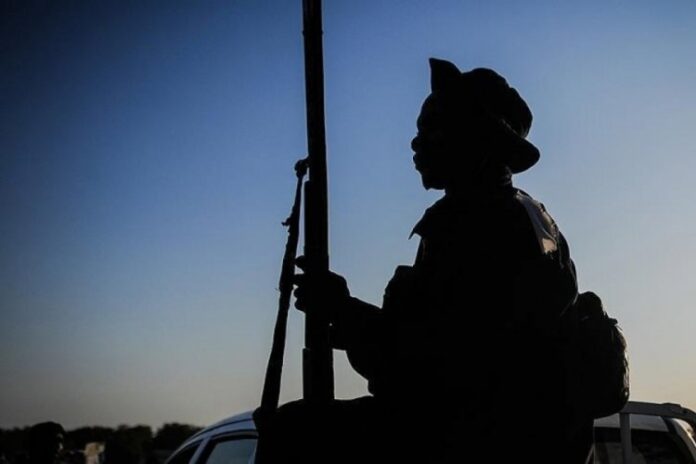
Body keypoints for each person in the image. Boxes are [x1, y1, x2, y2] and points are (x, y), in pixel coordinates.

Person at [261, 58, 593, 463]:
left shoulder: (484, 223)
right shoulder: (514, 216)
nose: (417, 143)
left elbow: (436, 366)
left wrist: (343, 310)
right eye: (420, 129)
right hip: (498, 429)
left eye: (435, 128)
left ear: (479, 139)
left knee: (294, 432)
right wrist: (347, 318)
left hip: (483, 438)